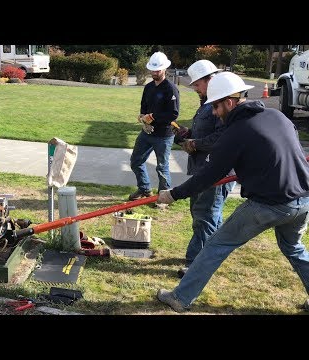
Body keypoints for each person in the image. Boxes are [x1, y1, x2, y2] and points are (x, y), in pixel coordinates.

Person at [156, 71, 309, 313]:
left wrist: (174, 194)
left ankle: (180, 297)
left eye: (216, 106)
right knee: (295, 248)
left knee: (216, 245)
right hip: (303, 201)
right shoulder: (277, 116)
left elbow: (209, 174)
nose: (215, 113)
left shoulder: (235, 133)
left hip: (269, 204)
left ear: (229, 102)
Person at [172, 60, 236, 278]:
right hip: (203, 169)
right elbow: (207, 132)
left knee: (205, 216)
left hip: (215, 172)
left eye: (197, 84)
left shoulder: (221, 105)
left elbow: (222, 137)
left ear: (210, 79)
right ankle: (211, 256)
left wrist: (195, 143)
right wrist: (187, 134)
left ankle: (196, 264)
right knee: (207, 216)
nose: (195, 88)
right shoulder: (208, 103)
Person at [128, 51, 179, 201]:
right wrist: (143, 118)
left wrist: (152, 118)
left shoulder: (170, 89)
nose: (155, 72)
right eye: (153, 69)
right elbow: (144, 106)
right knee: (136, 161)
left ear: (164, 69)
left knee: (162, 167)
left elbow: (173, 114)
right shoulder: (149, 87)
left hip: (164, 135)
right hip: (147, 133)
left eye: (158, 70)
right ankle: (144, 189)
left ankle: (164, 197)